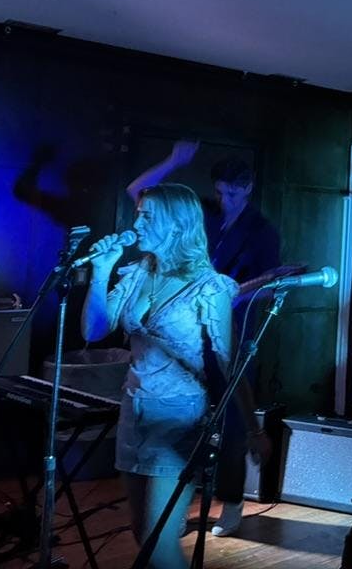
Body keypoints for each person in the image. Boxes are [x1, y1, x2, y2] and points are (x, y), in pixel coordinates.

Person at [81, 183, 267, 569]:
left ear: (177, 225)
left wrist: (253, 429)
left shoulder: (208, 287)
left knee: (158, 542)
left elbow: (230, 365)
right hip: (134, 411)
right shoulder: (136, 274)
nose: (137, 222)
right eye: (138, 213)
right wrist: (101, 270)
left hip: (179, 417)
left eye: (148, 216)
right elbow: (94, 330)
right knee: (140, 534)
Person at [127, 141, 281, 537]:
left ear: (248, 189)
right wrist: (174, 160)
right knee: (181, 416)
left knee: (231, 419)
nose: (224, 199)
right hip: (185, 331)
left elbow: (266, 288)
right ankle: (171, 506)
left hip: (231, 329)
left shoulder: (263, 231)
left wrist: (224, 293)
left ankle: (231, 502)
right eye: (219, 192)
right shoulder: (203, 213)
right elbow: (138, 193)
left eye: (232, 193)